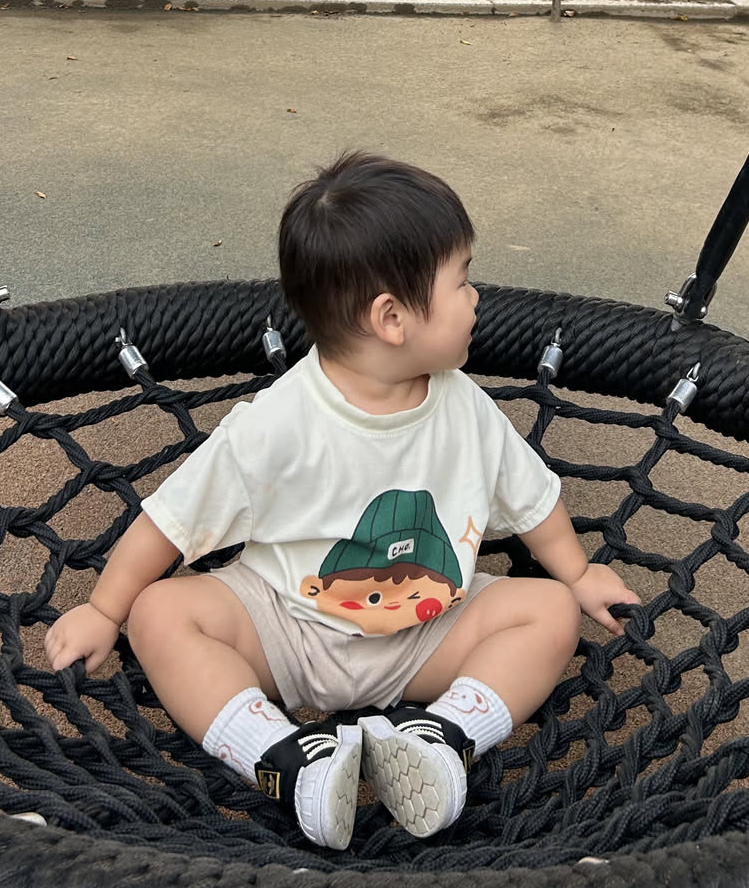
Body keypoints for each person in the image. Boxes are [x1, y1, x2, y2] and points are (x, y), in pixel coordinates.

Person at [44, 152, 639, 849]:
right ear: (392, 318)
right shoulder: (278, 424)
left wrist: (576, 573)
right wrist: (105, 610)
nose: (477, 298)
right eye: (462, 280)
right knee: (158, 613)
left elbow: (531, 498)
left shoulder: (466, 410)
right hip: (284, 627)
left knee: (550, 611)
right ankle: (285, 760)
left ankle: (442, 738)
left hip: (425, 631)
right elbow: (169, 524)